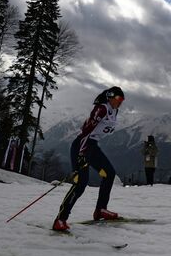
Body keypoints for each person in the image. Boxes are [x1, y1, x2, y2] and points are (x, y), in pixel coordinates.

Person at [53, 86, 125, 231]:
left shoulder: (114, 111)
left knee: (109, 174)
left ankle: (100, 210)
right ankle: (60, 219)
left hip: (93, 147)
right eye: (118, 98)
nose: (120, 102)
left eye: (122, 100)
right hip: (82, 145)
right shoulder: (102, 109)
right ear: (110, 96)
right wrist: (81, 155)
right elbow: (86, 132)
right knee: (81, 184)